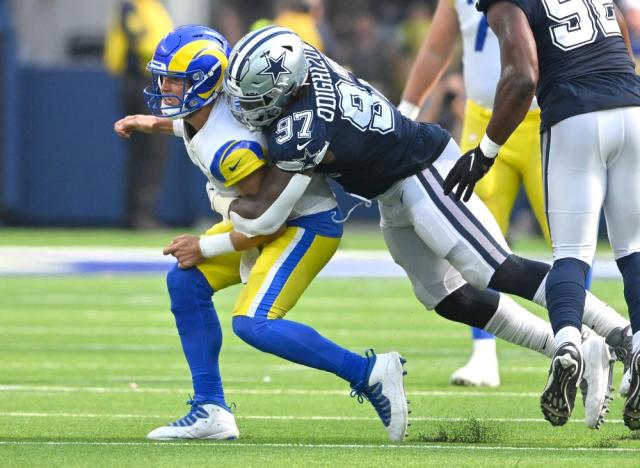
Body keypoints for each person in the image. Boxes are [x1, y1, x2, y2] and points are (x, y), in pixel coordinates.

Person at [221, 25, 633, 429]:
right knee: (449, 298)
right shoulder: (305, 56)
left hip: (422, 170)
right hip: (391, 186)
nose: (245, 107)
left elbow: (265, 212)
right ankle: (573, 345)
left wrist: (219, 192)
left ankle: (621, 335)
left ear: (288, 87)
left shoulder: (303, 130)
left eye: (255, 97)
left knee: (493, 268)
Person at [114, 24, 409, 442]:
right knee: (185, 284)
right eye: (163, 78)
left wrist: (204, 244)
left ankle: (370, 372)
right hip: (270, 221)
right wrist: (153, 123)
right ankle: (210, 408)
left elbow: (260, 223)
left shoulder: (231, 147)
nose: (164, 88)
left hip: (304, 225)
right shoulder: (213, 112)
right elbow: (197, 126)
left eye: (174, 81)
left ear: (203, 81)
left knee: (255, 324)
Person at [444, 0, 640, 429]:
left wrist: (485, 152)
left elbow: (523, 76)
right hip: (632, 106)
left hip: (575, 115)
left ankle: (568, 344)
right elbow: (624, 43)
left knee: (571, 252)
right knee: (633, 250)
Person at [396, 0, 550, 389]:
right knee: (471, 241)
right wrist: (406, 109)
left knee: (567, 241)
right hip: (483, 118)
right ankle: (484, 353)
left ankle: (575, 337)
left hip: (547, 116)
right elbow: (435, 49)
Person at [104, 0, 173, 228]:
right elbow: (144, 44)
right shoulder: (133, 7)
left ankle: (141, 213)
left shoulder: (151, 7)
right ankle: (140, 215)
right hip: (141, 82)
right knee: (148, 151)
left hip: (146, 81)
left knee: (148, 153)